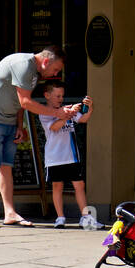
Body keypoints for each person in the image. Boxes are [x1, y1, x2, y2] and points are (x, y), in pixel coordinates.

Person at [0, 46, 72, 228]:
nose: (55, 74)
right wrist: (57, 113)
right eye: (55, 69)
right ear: (46, 61)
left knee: (6, 166)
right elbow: (26, 101)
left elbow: (20, 102)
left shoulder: (34, 72)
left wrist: (19, 125)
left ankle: (9, 213)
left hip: (9, 119)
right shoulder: (24, 65)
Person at [38, 80, 95, 228]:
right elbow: (55, 127)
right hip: (54, 157)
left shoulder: (67, 110)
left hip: (71, 155)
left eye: (62, 96)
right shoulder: (44, 113)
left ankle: (85, 217)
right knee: (57, 186)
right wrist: (67, 115)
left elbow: (82, 119)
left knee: (79, 185)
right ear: (47, 95)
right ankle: (60, 217)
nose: (61, 99)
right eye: (57, 96)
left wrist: (88, 109)